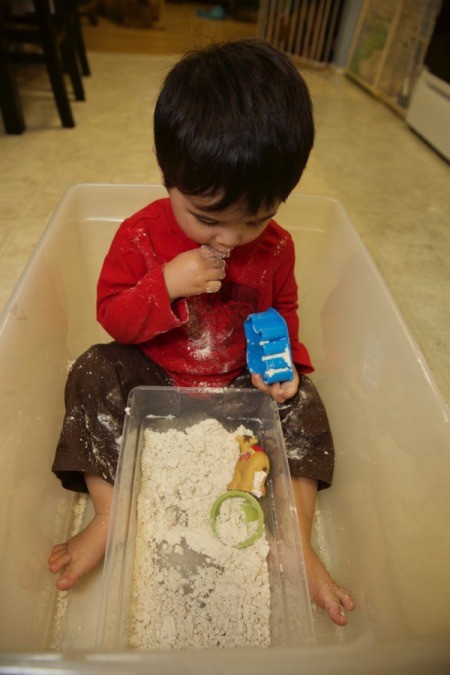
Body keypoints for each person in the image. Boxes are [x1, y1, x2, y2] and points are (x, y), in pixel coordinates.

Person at [48, 37, 355, 627]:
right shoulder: (141, 237)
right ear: (169, 177)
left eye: (256, 218)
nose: (230, 239)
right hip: (156, 372)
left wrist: (280, 364)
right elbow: (112, 314)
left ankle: (295, 537)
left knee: (310, 403)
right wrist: (164, 282)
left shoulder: (278, 247)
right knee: (91, 369)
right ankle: (113, 514)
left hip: (240, 384)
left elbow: (283, 307)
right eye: (208, 218)